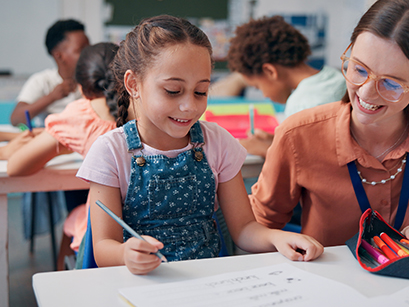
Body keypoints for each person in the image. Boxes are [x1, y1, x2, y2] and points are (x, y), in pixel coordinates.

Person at [77, 15, 323, 275]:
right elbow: (103, 249)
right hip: (142, 284)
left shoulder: (216, 142)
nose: (190, 106)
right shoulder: (111, 151)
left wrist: (276, 238)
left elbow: (243, 230)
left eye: (201, 92)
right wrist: (126, 254)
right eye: (173, 90)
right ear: (133, 84)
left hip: (208, 282)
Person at [249, 0, 409, 248]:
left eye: (391, 83)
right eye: (359, 69)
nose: (364, 92)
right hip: (327, 282)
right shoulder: (297, 135)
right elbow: (257, 227)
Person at [7, 42, 120, 261]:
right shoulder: (151, 110)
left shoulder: (80, 116)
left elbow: (15, 167)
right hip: (154, 227)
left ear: (81, 86)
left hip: (106, 234)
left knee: (76, 218)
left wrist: (62, 147)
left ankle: (68, 279)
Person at [226, 16, 347, 157]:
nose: (264, 95)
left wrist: (264, 150)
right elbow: (313, 146)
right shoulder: (335, 76)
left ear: (270, 72)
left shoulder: (300, 105)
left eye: (258, 87)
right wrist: (278, 141)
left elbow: (307, 162)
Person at [10, 19, 90, 127]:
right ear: (59, 55)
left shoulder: (94, 79)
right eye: (81, 50)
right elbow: (16, 119)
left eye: (90, 48)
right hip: (50, 140)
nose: (90, 54)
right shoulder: (42, 81)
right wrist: (52, 97)